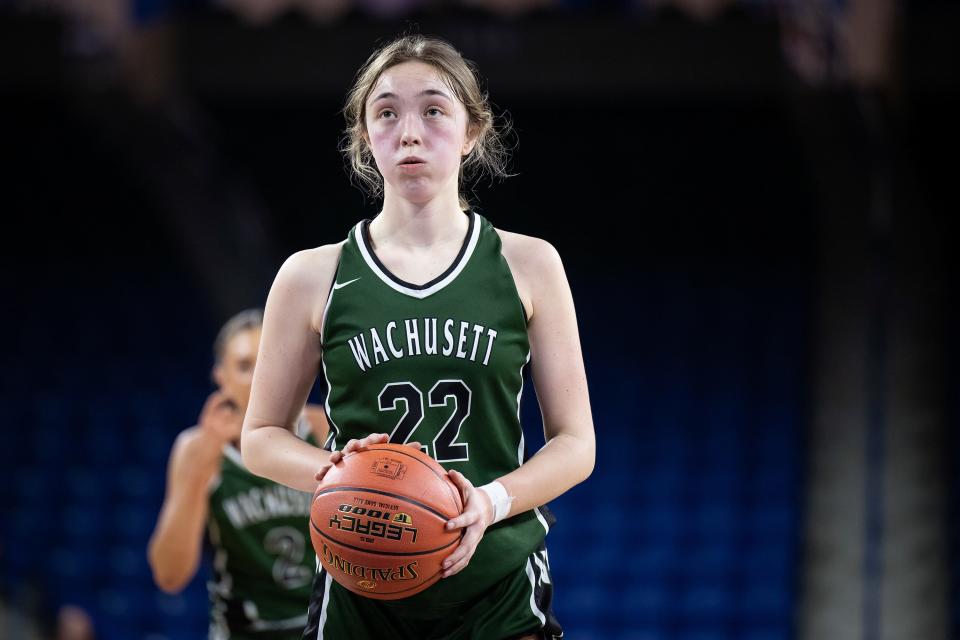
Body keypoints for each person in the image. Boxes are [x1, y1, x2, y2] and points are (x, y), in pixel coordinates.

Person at [240, 35, 595, 640]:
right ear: (364, 138)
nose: (409, 132)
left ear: (471, 132)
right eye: (386, 112)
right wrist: (333, 472)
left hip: (498, 588)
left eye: (433, 109)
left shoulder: (529, 264)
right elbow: (260, 438)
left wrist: (491, 501)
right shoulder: (311, 275)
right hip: (360, 585)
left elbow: (576, 444)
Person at [148, 309, 329, 639]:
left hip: (325, 625)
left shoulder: (322, 428)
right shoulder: (197, 448)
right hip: (244, 631)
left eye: (268, 359)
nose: (260, 375)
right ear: (221, 377)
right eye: (245, 366)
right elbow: (169, 576)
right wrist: (200, 470)